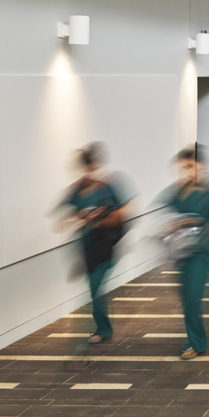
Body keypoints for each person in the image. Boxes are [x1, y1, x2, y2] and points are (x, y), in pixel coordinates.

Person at [159, 145, 209, 360]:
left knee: (192, 299)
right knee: (186, 299)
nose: (188, 171)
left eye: (191, 166)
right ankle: (196, 338)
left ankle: (197, 344)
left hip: (202, 253)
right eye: (184, 167)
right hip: (182, 255)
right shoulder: (178, 192)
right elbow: (168, 215)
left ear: (202, 166)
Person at [55, 143, 132, 345]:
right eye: (86, 169)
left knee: (96, 287)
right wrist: (76, 218)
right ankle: (103, 328)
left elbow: (123, 214)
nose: (89, 173)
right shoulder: (77, 191)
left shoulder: (109, 187)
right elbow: (60, 220)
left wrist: (97, 220)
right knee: (92, 287)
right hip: (87, 247)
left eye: (93, 168)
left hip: (107, 246)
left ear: (98, 166)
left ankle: (103, 329)